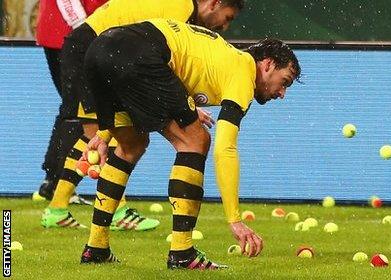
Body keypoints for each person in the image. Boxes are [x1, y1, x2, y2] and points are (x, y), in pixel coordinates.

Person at [79, 18, 301, 269]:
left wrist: (105, 134)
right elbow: (225, 149)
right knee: (196, 141)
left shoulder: (218, 57)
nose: (282, 94)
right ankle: (182, 253)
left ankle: (96, 248)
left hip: (100, 49)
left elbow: (172, 73)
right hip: (138, 52)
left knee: (132, 144)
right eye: (285, 82)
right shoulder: (244, 70)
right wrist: (234, 219)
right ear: (268, 64)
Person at [40, 0, 243, 230]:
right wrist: (187, 107)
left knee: (98, 134)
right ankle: (113, 211)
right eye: (228, 18)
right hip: (92, 48)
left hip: (93, 48)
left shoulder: (180, 6)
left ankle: (57, 208)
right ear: (214, 3)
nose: (224, 27)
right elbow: (159, 61)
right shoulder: (182, 9)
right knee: (110, 133)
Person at [35, 0, 108, 203]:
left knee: (75, 108)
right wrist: (83, 28)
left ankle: (53, 180)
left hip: (69, 33)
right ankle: (56, 183)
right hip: (71, 34)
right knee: (79, 110)